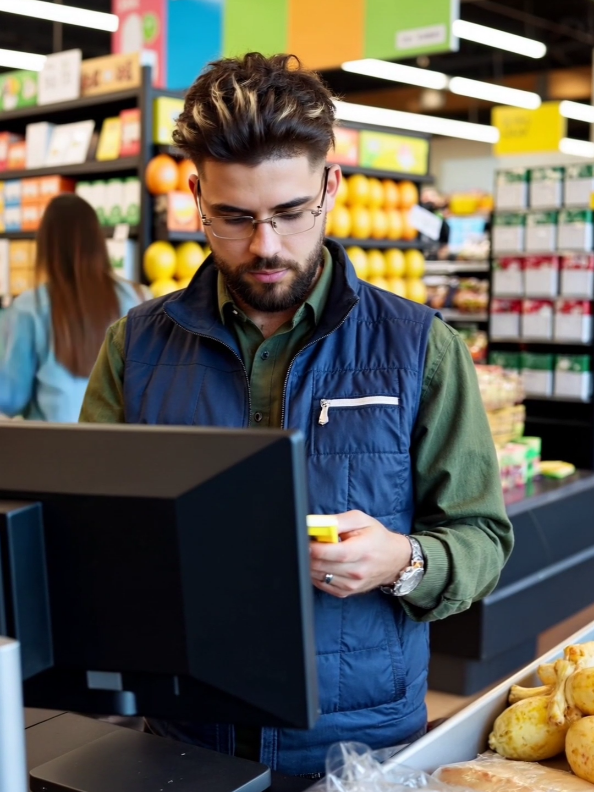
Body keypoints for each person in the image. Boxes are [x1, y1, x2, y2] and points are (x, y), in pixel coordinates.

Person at [80, 53, 513, 777]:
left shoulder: (418, 347)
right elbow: (86, 530)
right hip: (183, 735)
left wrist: (402, 561)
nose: (266, 247)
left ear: (330, 187)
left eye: (289, 214)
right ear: (195, 197)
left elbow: (481, 537)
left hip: (359, 743)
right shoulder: (136, 347)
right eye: (235, 218)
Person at [0, 193, 146, 423]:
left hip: (52, 450)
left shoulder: (30, 308)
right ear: (98, 241)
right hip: (119, 449)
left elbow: (11, 398)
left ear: (45, 246)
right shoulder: (139, 297)